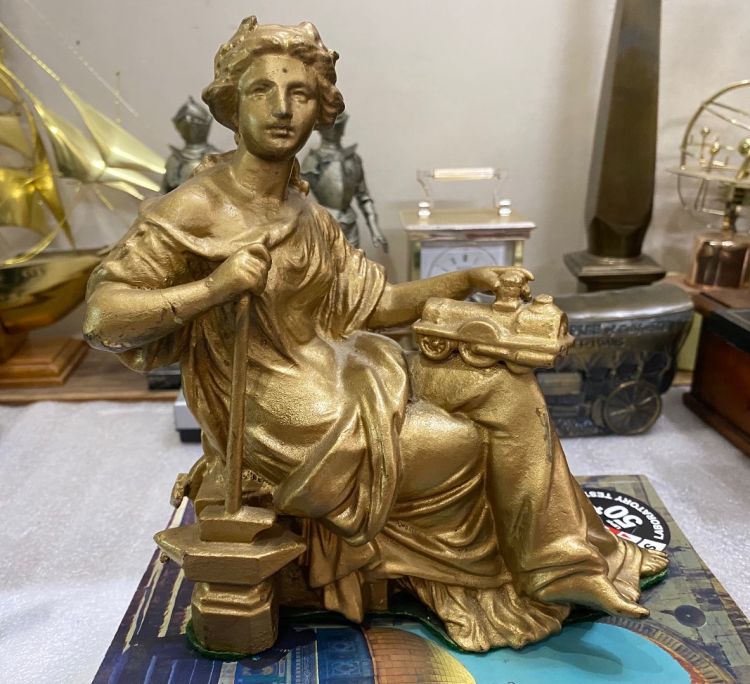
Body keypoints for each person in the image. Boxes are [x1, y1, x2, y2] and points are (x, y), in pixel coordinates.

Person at [84, 16, 667, 652]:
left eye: (300, 93)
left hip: (346, 367)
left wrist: (467, 277)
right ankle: (497, 575)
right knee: (462, 443)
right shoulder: (196, 206)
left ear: (320, 110)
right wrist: (214, 289)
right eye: (261, 91)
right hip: (280, 413)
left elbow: (379, 304)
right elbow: (104, 318)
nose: (282, 109)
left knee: (507, 389)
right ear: (232, 104)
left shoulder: (307, 213)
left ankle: (564, 564)